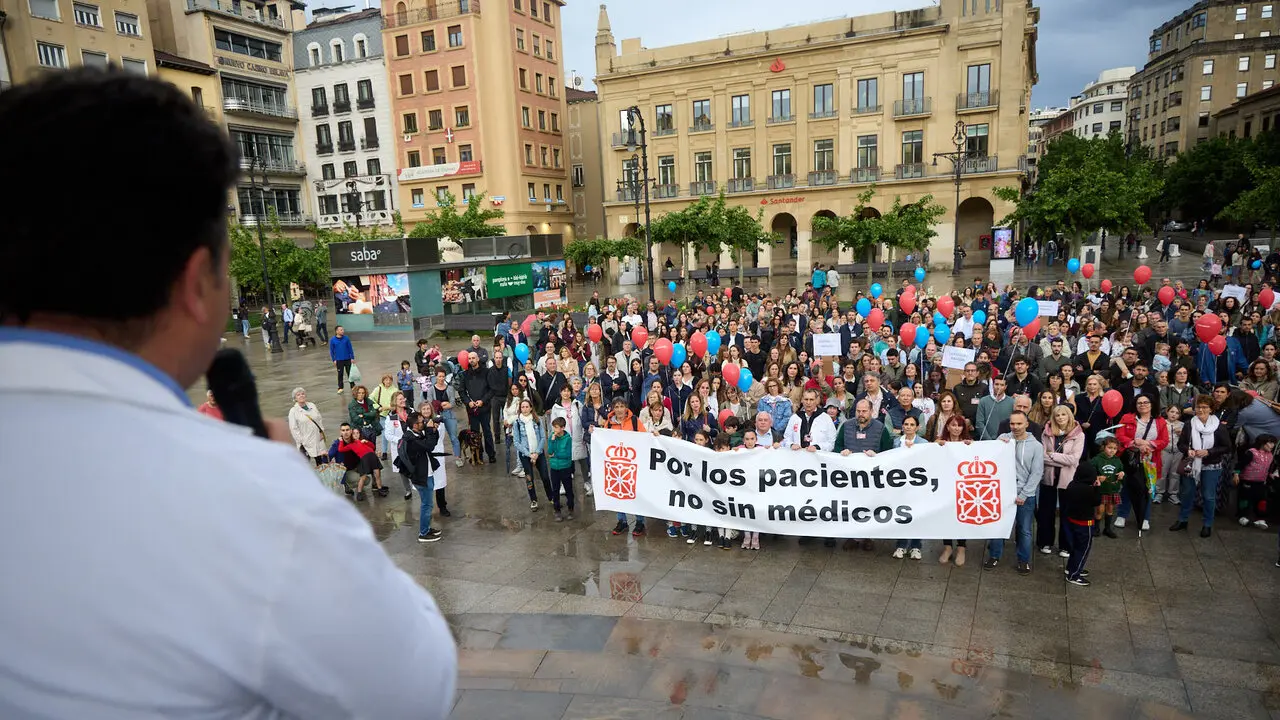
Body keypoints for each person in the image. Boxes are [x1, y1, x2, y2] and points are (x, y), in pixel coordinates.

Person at [984, 411, 1043, 575]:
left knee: (1024, 529)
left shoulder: (1036, 446)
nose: (1015, 427)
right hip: (1002, 493)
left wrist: (1024, 495)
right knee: (998, 526)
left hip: (1025, 495)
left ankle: (1023, 560)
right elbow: (991, 458)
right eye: (1012, 424)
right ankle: (994, 556)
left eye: (1019, 423)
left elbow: (1037, 473)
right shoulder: (1003, 439)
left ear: (1026, 424)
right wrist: (998, 445)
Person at [1171, 398, 1231, 537]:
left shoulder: (1219, 426)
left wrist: (1209, 452)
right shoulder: (1189, 424)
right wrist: (1188, 450)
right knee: (1187, 493)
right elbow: (1181, 444)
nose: (1201, 410)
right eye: (1198, 407)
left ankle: (1207, 524)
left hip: (1212, 465)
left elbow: (1227, 447)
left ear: (1211, 409)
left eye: (1204, 407)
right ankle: (1182, 520)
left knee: (1209, 496)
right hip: (1192, 464)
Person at [1038, 405, 1084, 558]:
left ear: (1069, 415)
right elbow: (1042, 457)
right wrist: (1057, 459)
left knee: (1067, 513)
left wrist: (1053, 456)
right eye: (1057, 415)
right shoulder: (1046, 432)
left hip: (1068, 480)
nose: (1060, 417)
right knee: (1046, 512)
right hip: (1049, 478)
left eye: (1064, 414)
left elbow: (1073, 460)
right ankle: (1045, 542)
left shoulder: (1079, 434)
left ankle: (1066, 546)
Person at [399, 411, 444, 543]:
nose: (423, 423)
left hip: (427, 473)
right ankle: (423, 533)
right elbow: (428, 446)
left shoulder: (417, 434)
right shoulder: (411, 439)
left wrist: (433, 430)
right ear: (414, 425)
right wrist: (430, 430)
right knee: (427, 504)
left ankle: (427, 528)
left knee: (428, 504)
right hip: (421, 476)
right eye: (421, 422)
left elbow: (432, 443)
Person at [936, 414, 973, 566]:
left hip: (963, 486)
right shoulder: (940, 443)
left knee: (962, 516)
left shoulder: (969, 443)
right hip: (945, 485)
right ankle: (947, 547)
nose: (956, 428)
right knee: (946, 516)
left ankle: (961, 548)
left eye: (960, 425)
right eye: (953, 425)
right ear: (948, 427)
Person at [1061, 462, 1104, 587]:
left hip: (1072, 521)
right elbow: (1097, 501)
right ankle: (1074, 574)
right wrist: (1097, 487)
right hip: (1085, 524)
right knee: (1083, 549)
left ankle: (1071, 567)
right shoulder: (1090, 490)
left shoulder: (1072, 485)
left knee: (1075, 547)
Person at [512, 398, 552, 512]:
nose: (525, 409)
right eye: (522, 407)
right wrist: (529, 454)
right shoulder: (517, 423)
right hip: (526, 455)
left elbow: (543, 437)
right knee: (529, 478)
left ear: (530, 408)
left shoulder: (537, 420)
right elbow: (516, 442)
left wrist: (537, 452)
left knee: (545, 476)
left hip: (538, 453)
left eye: (526, 407)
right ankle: (533, 500)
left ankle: (551, 497)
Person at [460, 350, 497, 464]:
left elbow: (492, 390)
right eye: (469, 358)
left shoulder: (487, 372)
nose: (471, 360)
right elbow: (462, 391)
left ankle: (491, 454)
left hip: (484, 407)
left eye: (473, 358)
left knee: (487, 431)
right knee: (474, 433)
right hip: (472, 409)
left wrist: (483, 400)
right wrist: (468, 402)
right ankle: (478, 455)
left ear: (478, 359)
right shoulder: (465, 374)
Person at [1235, 434, 1275, 529]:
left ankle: (1260, 518)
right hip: (1247, 480)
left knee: (1261, 500)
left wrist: (1270, 475)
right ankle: (1242, 516)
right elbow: (1241, 464)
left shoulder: (1270, 456)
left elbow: (1269, 468)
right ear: (1262, 443)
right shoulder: (1251, 453)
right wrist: (1236, 474)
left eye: (1273, 443)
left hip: (1261, 482)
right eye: (1270, 442)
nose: (1272, 445)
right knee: (1245, 498)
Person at [545, 417, 576, 521]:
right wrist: (552, 442)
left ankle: (571, 508)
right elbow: (549, 451)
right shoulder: (551, 437)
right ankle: (557, 510)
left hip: (565, 467)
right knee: (555, 489)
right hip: (554, 467)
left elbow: (567, 454)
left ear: (562, 428)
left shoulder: (568, 439)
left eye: (557, 427)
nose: (554, 430)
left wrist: (555, 454)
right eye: (554, 427)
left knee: (568, 489)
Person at [287, 387, 327, 465]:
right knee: (305, 464)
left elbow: (319, 419)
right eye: (298, 395)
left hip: (317, 438)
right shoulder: (293, 411)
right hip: (305, 441)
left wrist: (321, 431)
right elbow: (293, 428)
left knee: (321, 462)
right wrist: (301, 441)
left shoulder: (312, 405)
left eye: (303, 394)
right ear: (295, 398)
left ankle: (320, 476)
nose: (301, 396)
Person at [329, 324, 355, 393]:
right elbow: (331, 351)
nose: (342, 331)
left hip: (347, 359)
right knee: (340, 374)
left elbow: (350, 348)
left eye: (343, 330)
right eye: (341, 330)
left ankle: (353, 386)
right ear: (336, 331)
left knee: (350, 373)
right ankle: (340, 387)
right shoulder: (333, 340)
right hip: (339, 360)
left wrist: (352, 357)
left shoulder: (346, 338)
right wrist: (334, 359)